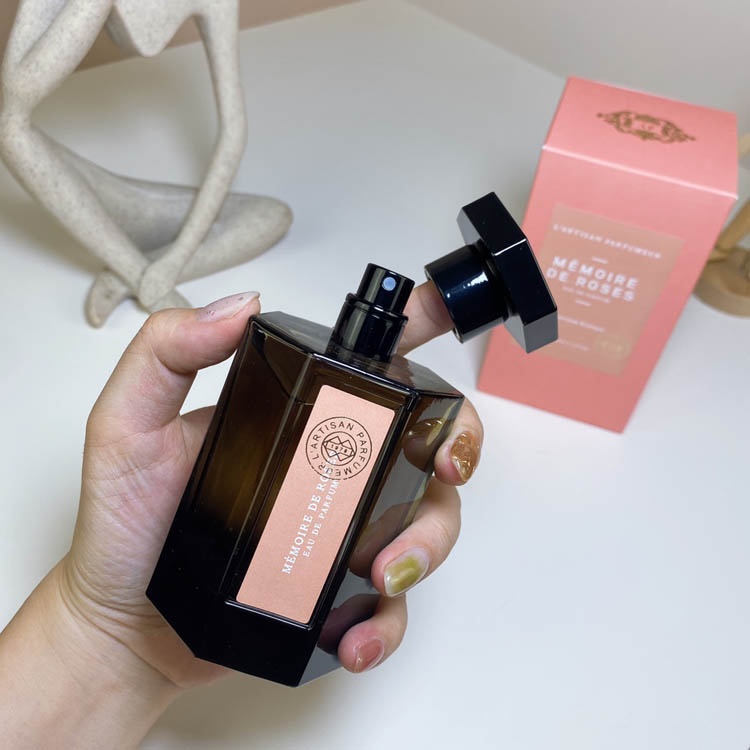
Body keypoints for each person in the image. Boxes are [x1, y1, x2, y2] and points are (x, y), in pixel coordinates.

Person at [0, 283, 483, 747]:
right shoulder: (285, 343)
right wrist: (104, 626)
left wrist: (109, 643)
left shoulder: (418, 397)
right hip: (167, 602)